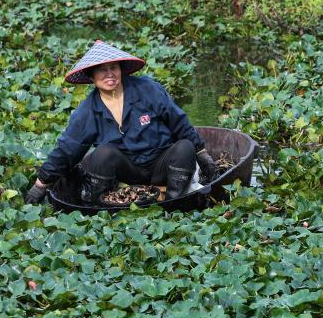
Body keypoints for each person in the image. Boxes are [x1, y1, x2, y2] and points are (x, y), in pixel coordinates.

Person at [24, 41, 218, 205]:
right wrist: (41, 184)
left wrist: (202, 153)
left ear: (121, 70)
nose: (109, 75)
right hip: (126, 173)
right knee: (103, 153)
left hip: (161, 164)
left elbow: (179, 121)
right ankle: (105, 202)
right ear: (92, 76)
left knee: (185, 147)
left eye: (113, 68)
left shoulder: (147, 89)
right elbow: (67, 149)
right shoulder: (88, 110)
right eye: (102, 70)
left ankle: (173, 202)